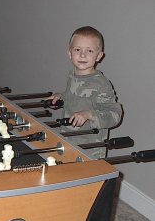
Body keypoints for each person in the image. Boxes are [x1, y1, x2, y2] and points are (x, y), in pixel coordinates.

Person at [48, 26, 123, 158]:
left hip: (91, 147)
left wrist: (89, 115)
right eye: (77, 49)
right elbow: (73, 95)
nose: (83, 55)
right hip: (68, 137)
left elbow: (115, 114)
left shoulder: (101, 84)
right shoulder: (72, 74)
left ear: (99, 56)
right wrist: (60, 96)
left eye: (89, 50)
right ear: (70, 53)